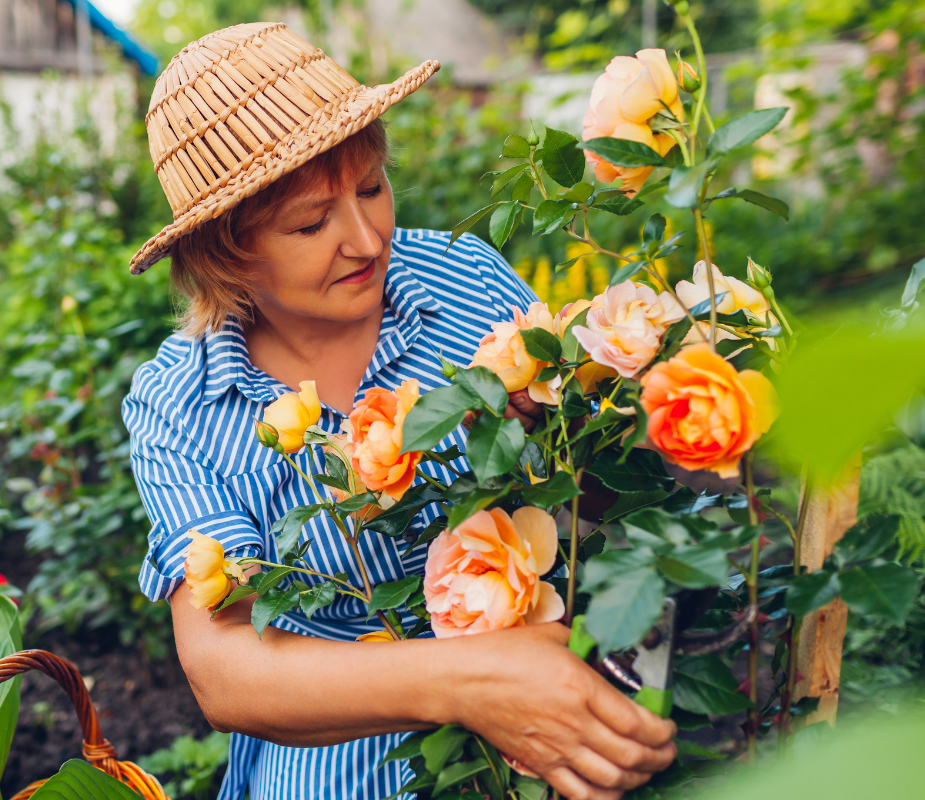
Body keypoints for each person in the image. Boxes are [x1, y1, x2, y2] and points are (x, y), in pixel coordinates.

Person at [122, 22, 676, 800]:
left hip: (556, 691)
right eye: (312, 223)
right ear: (227, 252)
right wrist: (465, 683)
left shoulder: (461, 282)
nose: (365, 239)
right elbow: (226, 671)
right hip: (344, 748)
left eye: (372, 187)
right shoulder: (183, 401)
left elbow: (601, 505)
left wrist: (567, 430)